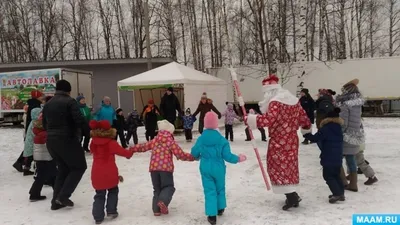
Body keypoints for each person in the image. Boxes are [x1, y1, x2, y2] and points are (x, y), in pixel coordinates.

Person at [244, 74, 311, 210]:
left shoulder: (275, 102)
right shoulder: (294, 100)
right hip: (292, 140)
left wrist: (251, 119)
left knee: (278, 168)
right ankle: (292, 195)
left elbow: (269, 120)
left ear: (270, 90)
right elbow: (304, 119)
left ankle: (291, 197)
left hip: (279, 141)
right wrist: (305, 129)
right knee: (289, 168)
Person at [191, 112, 247, 225]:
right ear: (216, 124)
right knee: (220, 188)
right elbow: (228, 156)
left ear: (205, 124)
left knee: (209, 190)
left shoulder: (201, 139)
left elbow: (194, 152)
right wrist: (239, 158)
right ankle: (220, 208)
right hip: (219, 168)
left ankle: (212, 216)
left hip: (205, 167)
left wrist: (197, 156)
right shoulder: (222, 140)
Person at [130, 120, 195, 216]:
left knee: (157, 189)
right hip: (166, 169)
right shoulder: (170, 142)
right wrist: (192, 157)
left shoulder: (155, 140)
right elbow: (180, 154)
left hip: (153, 169)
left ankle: (156, 210)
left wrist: (133, 149)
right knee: (168, 187)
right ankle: (163, 202)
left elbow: (143, 146)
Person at [42, 80, 88, 210]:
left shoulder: (48, 103)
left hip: (51, 141)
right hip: (67, 139)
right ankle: (63, 196)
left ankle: (56, 202)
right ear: (69, 90)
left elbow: (44, 124)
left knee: (63, 169)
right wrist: (89, 131)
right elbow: (78, 119)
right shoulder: (70, 101)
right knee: (79, 167)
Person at [89, 120, 134, 224]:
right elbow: (124, 153)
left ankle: (98, 217)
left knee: (99, 194)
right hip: (110, 173)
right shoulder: (111, 143)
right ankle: (111, 211)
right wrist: (131, 152)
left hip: (97, 173)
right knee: (113, 191)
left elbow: (91, 151)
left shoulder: (93, 142)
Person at [303, 108, 345, 203]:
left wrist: (306, 134)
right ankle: (341, 193)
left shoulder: (326, 128)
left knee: (328, 176)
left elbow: (315, 138)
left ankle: (337, 194)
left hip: (328, 156)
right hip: (337, 156)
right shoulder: (338, 128)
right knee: (336, 175)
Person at [336, 79, 365, 192]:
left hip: (346, 135)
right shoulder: (357, 103)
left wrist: (338, 132)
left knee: (337, 158)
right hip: (355, 134)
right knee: (351, 158)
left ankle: (343, 182)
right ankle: (353, 184)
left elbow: (344, 122)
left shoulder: (345, 105)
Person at [29, 111, 57, 202]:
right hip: (46, 157)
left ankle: (56, 190)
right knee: (49, 175)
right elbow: (50, 145)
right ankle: (34, 193)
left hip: (40, 157)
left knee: (48, 175)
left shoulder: (38, 132)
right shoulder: (45, 134)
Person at [13, 90, 44, 174]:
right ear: (37, 97)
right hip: (33, 130)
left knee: (29, 148)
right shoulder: (35, 105)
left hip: (31, 129)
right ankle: (21, 163)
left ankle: (22, 164)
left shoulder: (33, 104)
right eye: (41, 96)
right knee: (31, 148)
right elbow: (34, 119)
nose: (42, 97)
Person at [22, 108, 42, 176]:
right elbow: (35, 132)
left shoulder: (32, 121)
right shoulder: (35, 122)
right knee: (32, 156)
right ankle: (27, 169)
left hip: (30, 142)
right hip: (32, 142)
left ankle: (27, 168)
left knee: (30, 156)